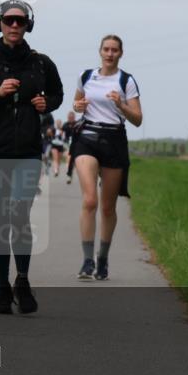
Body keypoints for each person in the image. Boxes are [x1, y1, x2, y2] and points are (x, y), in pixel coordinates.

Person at [0, 0, 63, 314]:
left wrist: (47, 104)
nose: (15, 26)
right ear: (0, 25)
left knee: (19, 213)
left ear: (28, 25)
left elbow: (57, 93)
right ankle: (3, 287)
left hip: (29, 152)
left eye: (20, 21)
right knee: (2, 221)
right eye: (9, 21)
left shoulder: (41, 63)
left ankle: (22, 278)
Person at [72, 35, 142, 281]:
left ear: (121, 53)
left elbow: (137, 119)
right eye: (106, 49)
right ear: (100, 51)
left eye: (114, 50)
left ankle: (103, 258)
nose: (110, 54)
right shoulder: (87, 76)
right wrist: (78, 107)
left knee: (108, 207)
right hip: (87, 137)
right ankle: (87, 260)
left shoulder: (126, 80)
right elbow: (77, 102)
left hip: (114, 140)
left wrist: (122, 105)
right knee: (90, 200)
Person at [63, 111, 79, 183]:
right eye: (70, 117)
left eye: (72, 117)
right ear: (68, 117)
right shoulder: (65, 125)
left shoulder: (78, 124)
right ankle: (69, 175)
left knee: (74, 160)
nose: (71, 118)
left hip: (76, 144)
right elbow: (62, 133)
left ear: (74, 117)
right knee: (70, 159)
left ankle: (70, 173)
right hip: (67, 144)